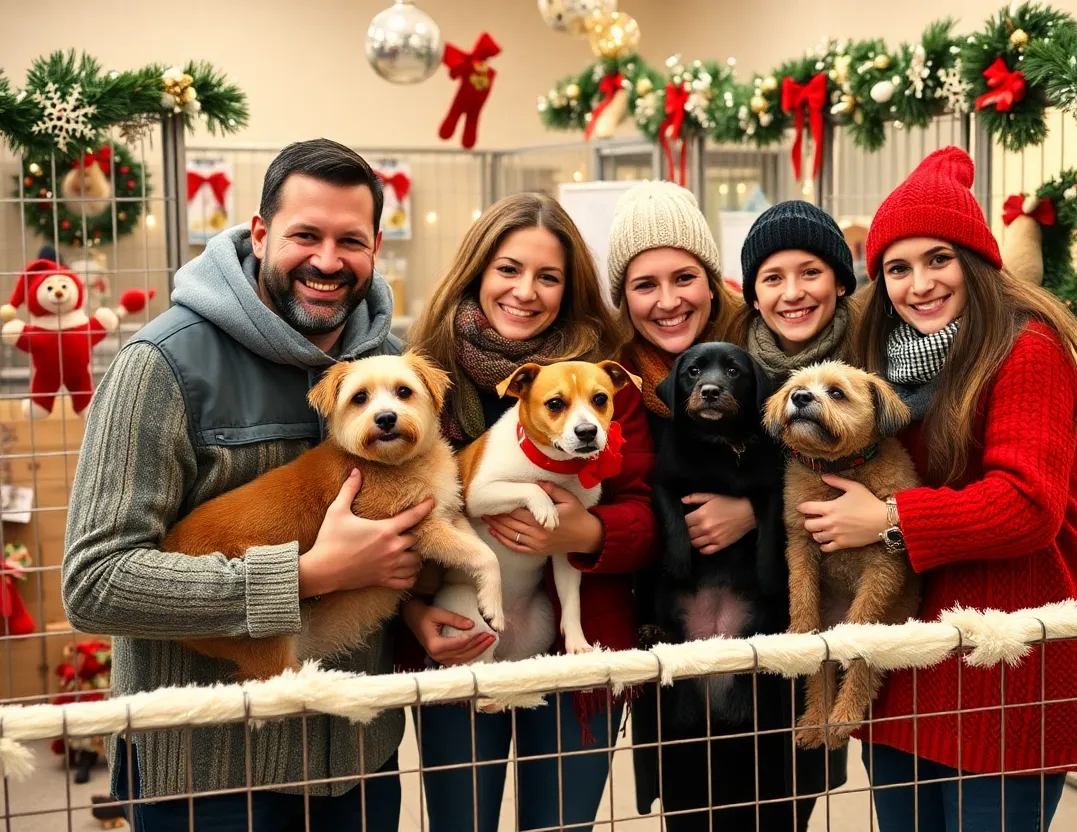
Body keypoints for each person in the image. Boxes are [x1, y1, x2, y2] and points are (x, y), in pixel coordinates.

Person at [62, 138, 425, 831]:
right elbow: (94, 583)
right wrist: (302, 576)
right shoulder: (162, 366)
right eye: (305, 235)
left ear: (376, 246)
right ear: (259, 235)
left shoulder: (387, 371)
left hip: (358, 758)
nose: (327, 260)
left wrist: (413, 607)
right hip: (211, 774)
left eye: (350, 240)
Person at [799, 146, 1077, 831]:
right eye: (898, 268)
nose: (919, 284)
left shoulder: (1027, 349)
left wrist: (888, 519)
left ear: (976, 261)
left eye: (939, 259)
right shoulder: (882, 362)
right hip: (906, 662)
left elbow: (1027, 506)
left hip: (1002, 666)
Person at [399, 192, 656, 832]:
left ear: (570, 289)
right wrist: (411, 609)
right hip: (457, 635)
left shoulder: (603, 382)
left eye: (549, 276)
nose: (526, 291)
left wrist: (588, 529)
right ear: (477, 271)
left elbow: (652, 519)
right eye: (509, 269)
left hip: (579, 652)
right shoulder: (420, 379)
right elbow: (391, 516)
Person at [609, 180, 847, 830]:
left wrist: (753, 508)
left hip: (777, 644)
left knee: (779, 806)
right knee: (689, 807)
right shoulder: (610, 384)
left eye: (684, 276)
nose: (667, 299)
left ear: (712, 282)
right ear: (621, 298)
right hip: (674, 652)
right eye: (644, 284)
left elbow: (840, 467)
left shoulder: (772, 350)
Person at [728, 199, 858, 384]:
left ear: (840, 283)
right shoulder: (723, 371)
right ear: (754, 297)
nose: (792, 294)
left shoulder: (877, 356)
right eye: (773, 278)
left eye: (810, 273)